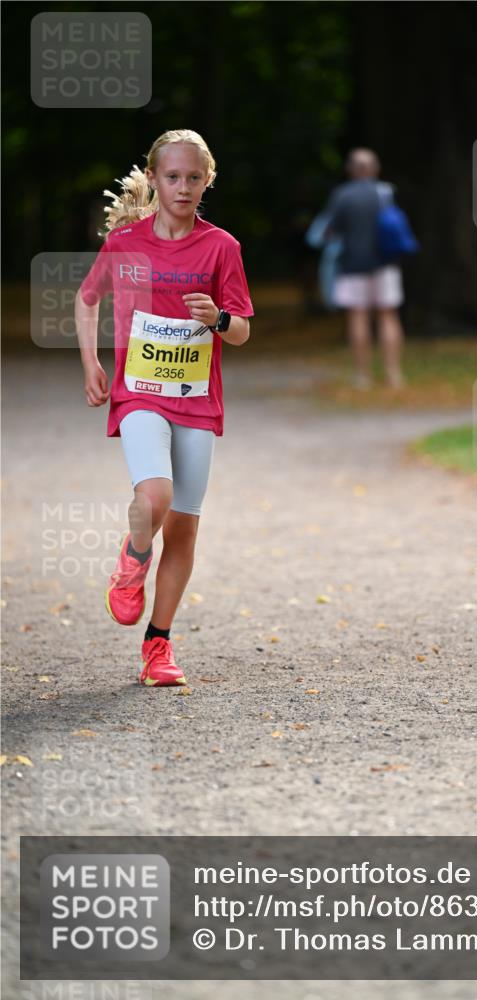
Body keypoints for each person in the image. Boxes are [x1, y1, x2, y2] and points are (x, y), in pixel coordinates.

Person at [75, 129, 253, 687]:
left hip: (196, 399)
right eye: (172, 177)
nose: (183, 186)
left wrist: (217, 320)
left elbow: (243, 329)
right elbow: (86, 301)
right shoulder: (125, 242)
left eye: (193, 178)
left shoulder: (221, 247)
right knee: (155, 495)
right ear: (153, 179)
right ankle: (131, 561)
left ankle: (158, 645)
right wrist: (91, 364)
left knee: (184, 530)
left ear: (207, 182)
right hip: (139, 392)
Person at [323, 148, 406, 389]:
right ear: (375, 168)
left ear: (350, 169)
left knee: (358, 316)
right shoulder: (386, 192)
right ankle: (394, 374)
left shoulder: (342, 195)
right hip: (385, 262)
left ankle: (363, 376)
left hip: (352, 265)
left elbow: (330, 231)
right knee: (388, 315)